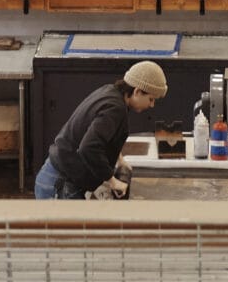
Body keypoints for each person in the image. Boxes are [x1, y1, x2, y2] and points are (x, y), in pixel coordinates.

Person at [35, 61, 166, 199]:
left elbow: (102, 136)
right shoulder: (115, 109)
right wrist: (113, 181)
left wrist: (119, 160)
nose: (152, 105)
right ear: (137, 91)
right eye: (151, 99)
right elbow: (88, 147)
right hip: (59, 184)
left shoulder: (111, 92)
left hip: (57, 176)